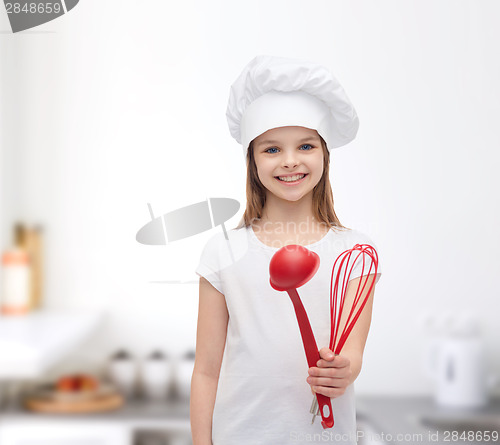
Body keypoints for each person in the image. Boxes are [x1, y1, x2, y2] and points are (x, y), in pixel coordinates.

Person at [190, 55, 382, 445]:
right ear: (252, 160)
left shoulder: (355, 253)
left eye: (306, 145)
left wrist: (344, 370)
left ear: (324, 155)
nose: (290, 161)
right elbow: (207, 370)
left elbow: (353, 353)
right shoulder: (223, 251)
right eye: (272, 149)